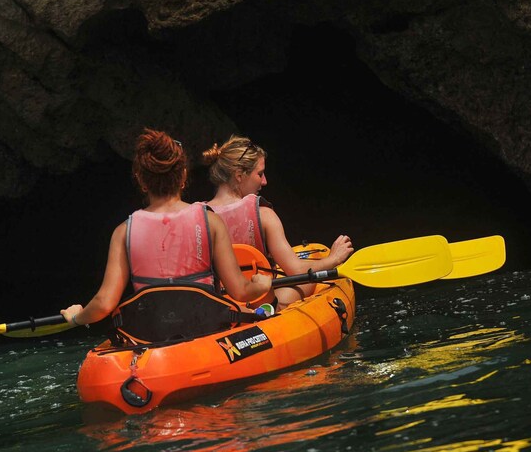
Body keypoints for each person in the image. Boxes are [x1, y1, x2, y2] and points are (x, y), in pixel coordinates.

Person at [61, 129, 272, 328]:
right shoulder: (210, 221)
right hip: (205, 330)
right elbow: (240, 291)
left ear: (141, 181)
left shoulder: (123, 232)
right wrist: (261, 285)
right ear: (183, 177)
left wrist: (77, 317)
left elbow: (104, 304)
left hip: (153, 337)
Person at [201, 135, 353, 308]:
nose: (264, 181)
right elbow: (295, 270)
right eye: (259, 174)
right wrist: (332, 259)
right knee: (308, 280)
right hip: (260, 303)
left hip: (219, 306)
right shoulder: (263, 214)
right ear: (239, 175)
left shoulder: (198, 217)